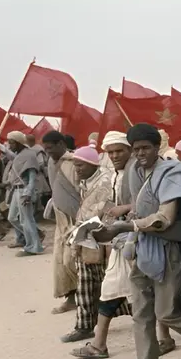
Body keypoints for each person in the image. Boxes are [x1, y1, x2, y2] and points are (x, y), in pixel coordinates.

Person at [95, 123, 181, 359]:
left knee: (168, 314)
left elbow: (164, 218)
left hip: (168, 250)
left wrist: (125, 227)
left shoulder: (171, 172)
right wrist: (125, 220)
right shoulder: (136, 172)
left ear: (157, 147)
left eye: (146, 148)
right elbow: (140, 206)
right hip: (141, 248)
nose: (141, 154)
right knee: (141, 315)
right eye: (136, 149)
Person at [69, 132, 175, 359]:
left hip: (138, 239)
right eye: (111, 152)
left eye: (119, 150)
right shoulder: (118, 175)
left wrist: (124, 209)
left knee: (145, 291)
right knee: (115, 290)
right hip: (122, 240)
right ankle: (100, 344)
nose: (115, 155)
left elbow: (150, 204)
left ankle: (164, 338)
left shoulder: (138, 172)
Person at [61, 147, 115, 343]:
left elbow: (103, 210)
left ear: (93, 164)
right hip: (86, 238)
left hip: (101, 238)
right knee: (85, 283)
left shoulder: (105, 182)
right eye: (75, 165)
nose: (77, 169)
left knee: (106, 284)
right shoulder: (86, 182)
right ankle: (84, 326)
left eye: (80, 164)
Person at [43, 130, 80, 311]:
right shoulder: (50, 162)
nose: (49, 152)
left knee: (72, 260)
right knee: (60, 261)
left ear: (61, 144)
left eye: (51, 148)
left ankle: (89, 297)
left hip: (76, 219)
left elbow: (83, 191)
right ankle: (71, 298)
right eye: (46, 149)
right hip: (60, 219)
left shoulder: (74, 163)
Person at [3, 132, 43, 256]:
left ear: (19, 142)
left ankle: (33, 247)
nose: (10, 146)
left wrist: (28, 193)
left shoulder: (29, 155)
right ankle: (35, 235)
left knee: (26, 220)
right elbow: (12, 157)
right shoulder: (20, 154)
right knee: (12, 218)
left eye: (11, 142)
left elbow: (32, 177)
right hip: (16, 190)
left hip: (24, 190)